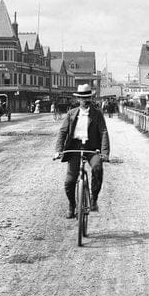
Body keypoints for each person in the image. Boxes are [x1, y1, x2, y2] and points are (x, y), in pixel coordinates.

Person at [54, 84, 110, 218]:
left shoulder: (97, 114)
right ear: (78, 99)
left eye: (87, 97)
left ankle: (94, 199)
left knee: (97, 167)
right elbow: (63, 132)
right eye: (82, 98)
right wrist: (58, 150)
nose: (85, 100)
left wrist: (105, 153)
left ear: (91, 98)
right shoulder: (71, 114)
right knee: (69, 181)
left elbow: (103, 132)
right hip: (74, 148)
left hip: (92, 149)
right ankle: (72, 205)